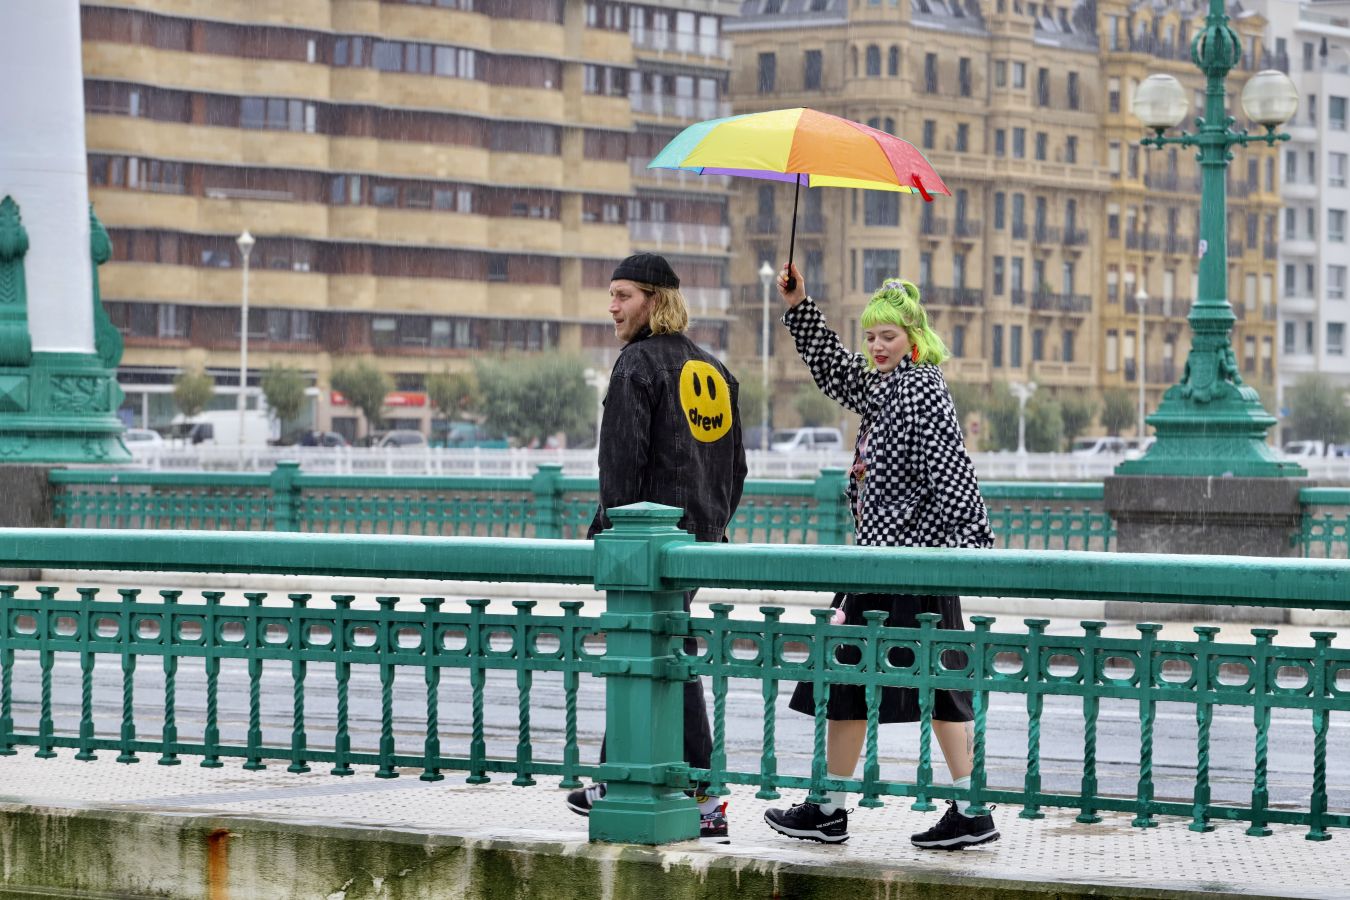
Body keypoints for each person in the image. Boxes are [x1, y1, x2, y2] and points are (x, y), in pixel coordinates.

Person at [762, 262, 997, 850]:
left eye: (887, 336)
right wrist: (799, 305)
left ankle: (849, 809)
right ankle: (841, 807)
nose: (876, 346)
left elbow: (952, 471)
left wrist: (970, 545)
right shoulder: (883, 386)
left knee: (913, 684)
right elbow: (833, 370)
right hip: (884, 562)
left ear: (914, 338)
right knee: (882, 682)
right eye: (870, 336)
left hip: (911, 564)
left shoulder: (922, 389)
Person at [565, 252, 748, 840]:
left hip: (644, 543)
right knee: (664, 649)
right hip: (697, 537)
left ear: (655, 301)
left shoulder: (636, 366)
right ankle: (630, 779)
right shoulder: (715, 370)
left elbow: (620, 464)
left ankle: (700, 793)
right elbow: (736, 468)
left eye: (623, 295)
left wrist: (609, 534)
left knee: (656, 652)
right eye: (611, 295)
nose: (612, 307)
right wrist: (709, 523)